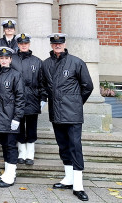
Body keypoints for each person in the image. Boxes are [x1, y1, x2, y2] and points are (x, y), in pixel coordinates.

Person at [41, 33, 93, 202]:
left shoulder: (76, 62)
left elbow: (87, 86)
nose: (57, 45)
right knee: (63, 145)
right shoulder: (46, 64)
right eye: (55, 43)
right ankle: (68, 178)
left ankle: (78, 185)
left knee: (75, 146)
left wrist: (76, 102)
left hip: (72, 113)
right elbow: (43, 86)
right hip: (56, 113)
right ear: (51, 45)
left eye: (60, 43)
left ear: (64, 44)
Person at [0, 46, 24, 188]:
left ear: (10, 59)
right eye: (1, 58)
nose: (3, 60)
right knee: (4, 145)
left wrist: (17, 117)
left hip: (10, 117)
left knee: (10, 146)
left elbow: (20, 97)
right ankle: (7, 172)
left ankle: (11, 174)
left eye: (6, 58)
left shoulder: (16, 75)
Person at [12, 33, 46, 165]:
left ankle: (30, 153)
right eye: (21, 44)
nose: (23, 45)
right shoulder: (12, 59)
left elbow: (42, 81)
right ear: (18, 45)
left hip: (33, 98)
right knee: (19, 125)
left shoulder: (37, 61)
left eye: (25, 43)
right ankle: (21, 152)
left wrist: (43, 97)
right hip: (16, 98)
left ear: (29, 44)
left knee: (31, 126)